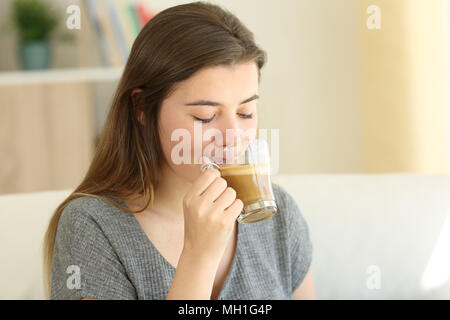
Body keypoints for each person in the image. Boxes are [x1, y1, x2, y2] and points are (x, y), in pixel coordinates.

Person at [43, 1, 315, 300]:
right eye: (205, 117)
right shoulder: (92, 229)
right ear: (142, 108)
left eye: (246, 112)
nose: (233, 137)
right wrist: (199, 257)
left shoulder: (280, 217)